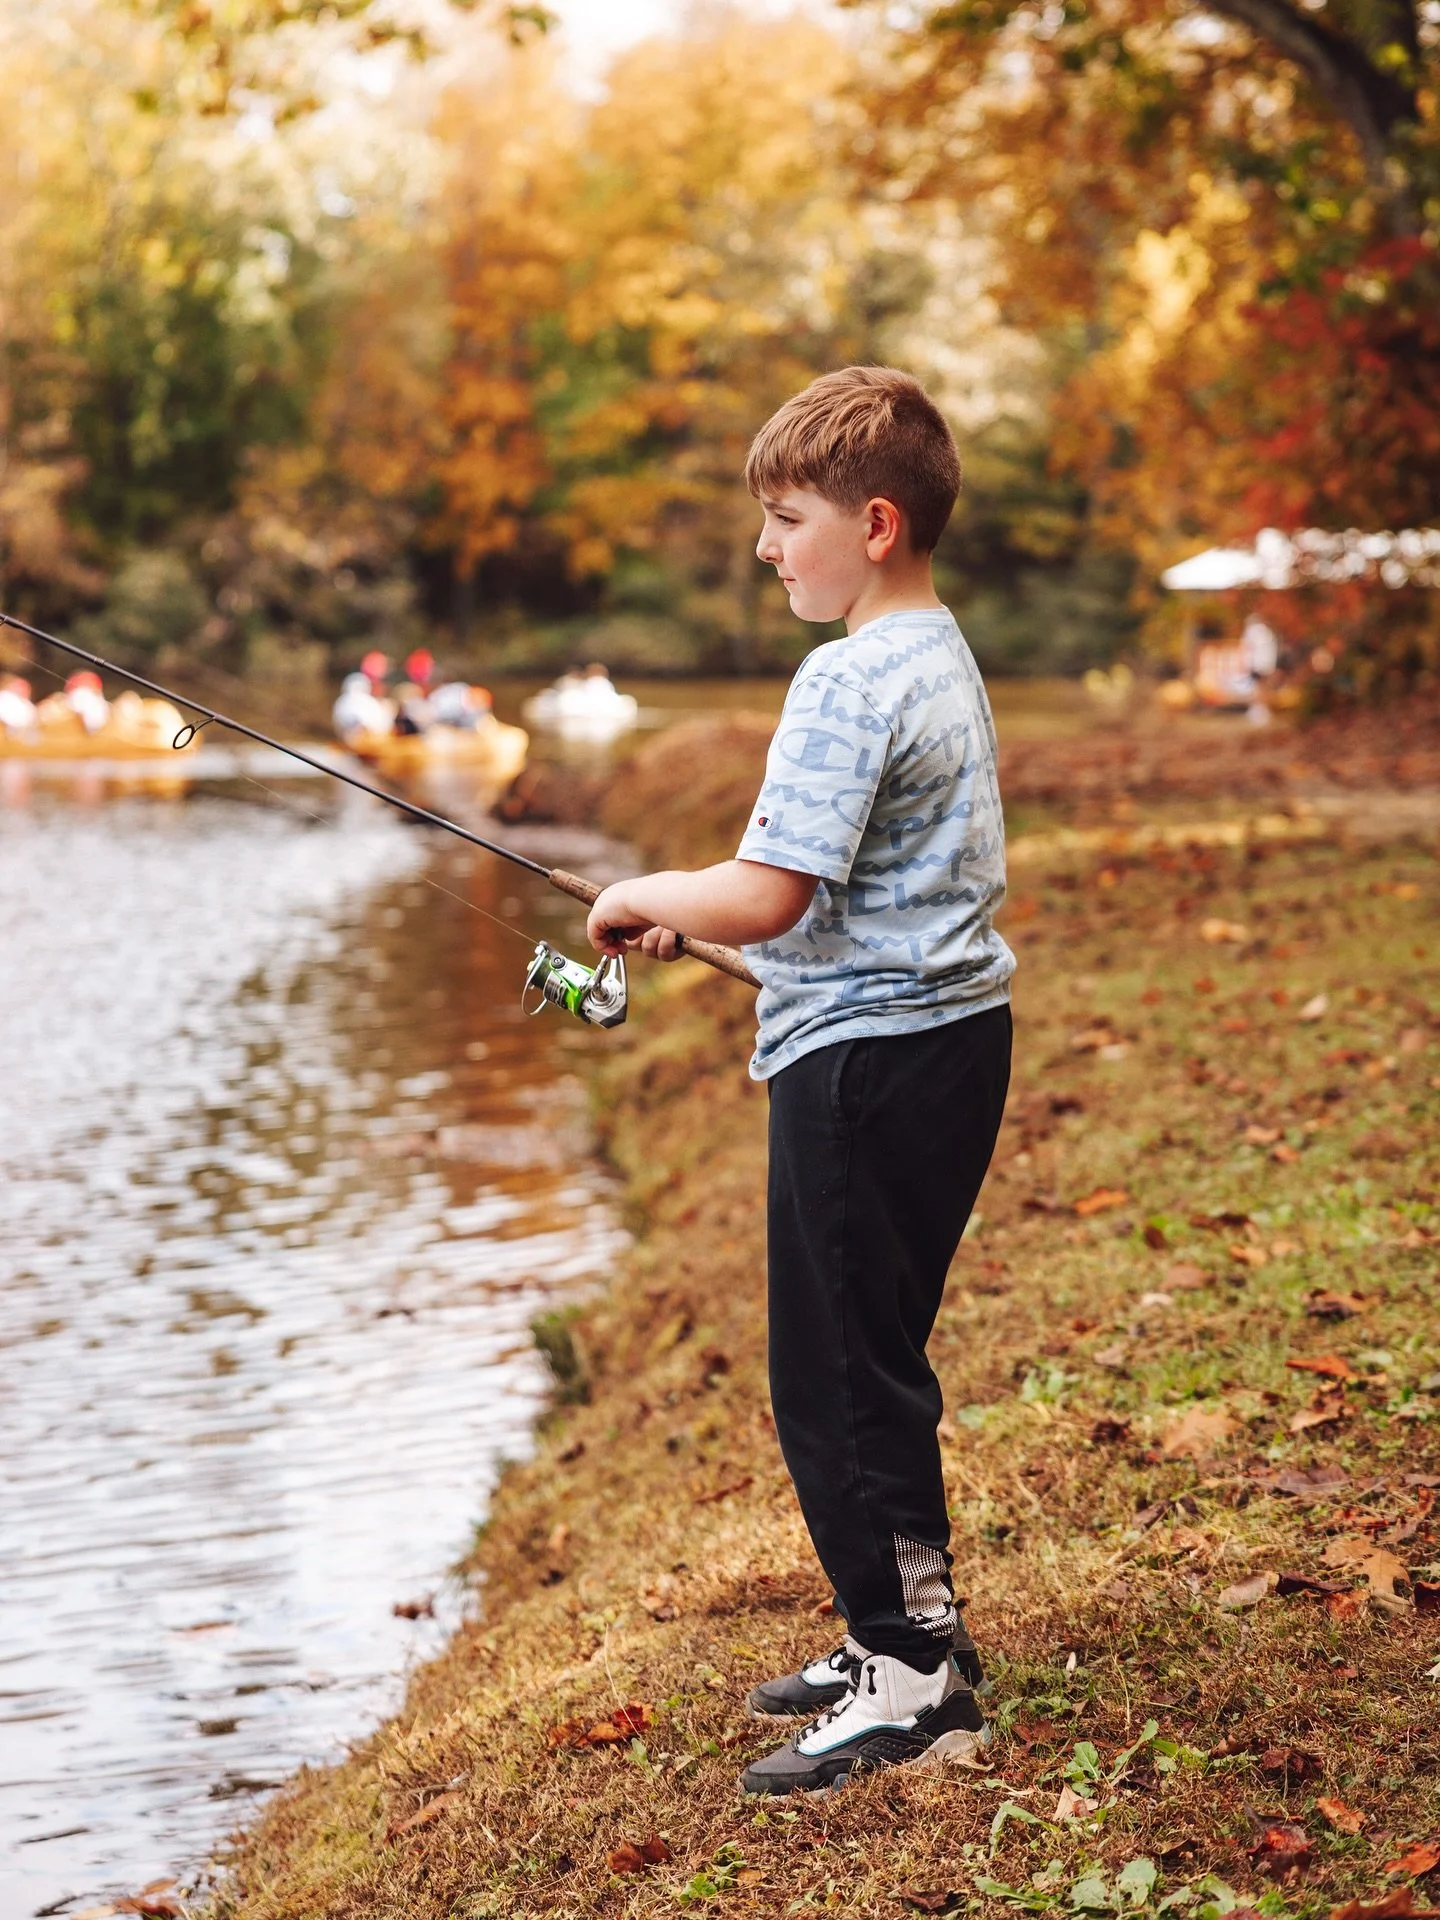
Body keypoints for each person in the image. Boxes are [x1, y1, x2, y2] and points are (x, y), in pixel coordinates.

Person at [585, 366, 1014, 1795]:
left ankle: (914, 1676)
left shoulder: (844, 675)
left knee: (836, 1375)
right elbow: (859, 896)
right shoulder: (940, 656)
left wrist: (643, 888)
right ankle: (897, 1627)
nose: (768, 547)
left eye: (785, 519)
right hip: (952, 1042)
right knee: (876, 1351)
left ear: (873, 523)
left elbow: (769, 896)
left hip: (863, 1072)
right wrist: (687, 914)